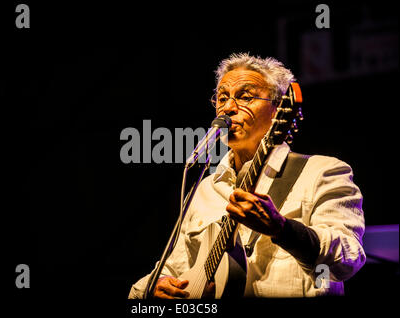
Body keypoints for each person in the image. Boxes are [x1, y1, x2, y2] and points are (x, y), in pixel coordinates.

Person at [128, 53, 366, 298]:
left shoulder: (322, 171)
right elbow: (172, 268)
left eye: (245, 96)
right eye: (222, 98)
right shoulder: (203, 189)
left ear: (277, 109)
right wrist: (155, 287)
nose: (228, 108)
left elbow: (347, 260)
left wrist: (282, 229)